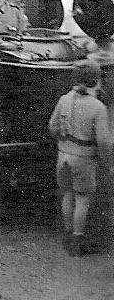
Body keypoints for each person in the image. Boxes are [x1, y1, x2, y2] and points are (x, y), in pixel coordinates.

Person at [49, 61, 113, 257]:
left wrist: (63, 141)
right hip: (84, 157)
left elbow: (52, 126)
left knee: (67, 194)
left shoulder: (64, 99)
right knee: (83, 199)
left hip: (64, 154)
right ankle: (77, 239)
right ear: (97, 81)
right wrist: (107, 162)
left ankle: (67, 234)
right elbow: (103, 141)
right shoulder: (98, 107)